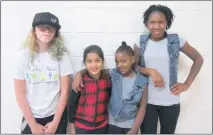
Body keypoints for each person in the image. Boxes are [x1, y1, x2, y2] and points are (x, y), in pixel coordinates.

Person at [133, 4, 204, 134]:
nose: (156, 26)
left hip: (171, 100)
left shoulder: (176, 40)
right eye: (152, 22)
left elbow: (198, 59)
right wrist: (150, 71)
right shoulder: (140, 42)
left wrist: (187, 84)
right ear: (147, 23)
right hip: (146, 101)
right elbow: (134, 67)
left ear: (167, 23)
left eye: (161, 22)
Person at [14, 12, 73, 134]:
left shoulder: (62, 56)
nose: (47, 31)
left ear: (56, 33)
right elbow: (20, 93)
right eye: (42, 27)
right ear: (34, 30)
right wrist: (33, 125)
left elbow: (65, 91)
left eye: (51, 28)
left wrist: (55, 123)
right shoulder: (23, 56)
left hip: (56, 115)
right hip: (31, 116)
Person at [72, 42, 148, 134]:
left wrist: (134, 129)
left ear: (132, 59)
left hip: (130, 125)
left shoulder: (142, 81)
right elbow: (94, 70)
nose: (119, 65)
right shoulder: (114, 74)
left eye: (123, 61)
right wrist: (78, 74)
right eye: (117, 62)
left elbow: (142, 107)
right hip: (112, 124)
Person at [69, 45, 112, 134]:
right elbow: (72, 105)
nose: (94, 65)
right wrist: (71, 126)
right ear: (85, 63)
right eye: (89, 61)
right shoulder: (79, 81)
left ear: (102, 62)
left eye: (97, 61)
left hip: (102, 125)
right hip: (82, 126)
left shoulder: (108, 79)